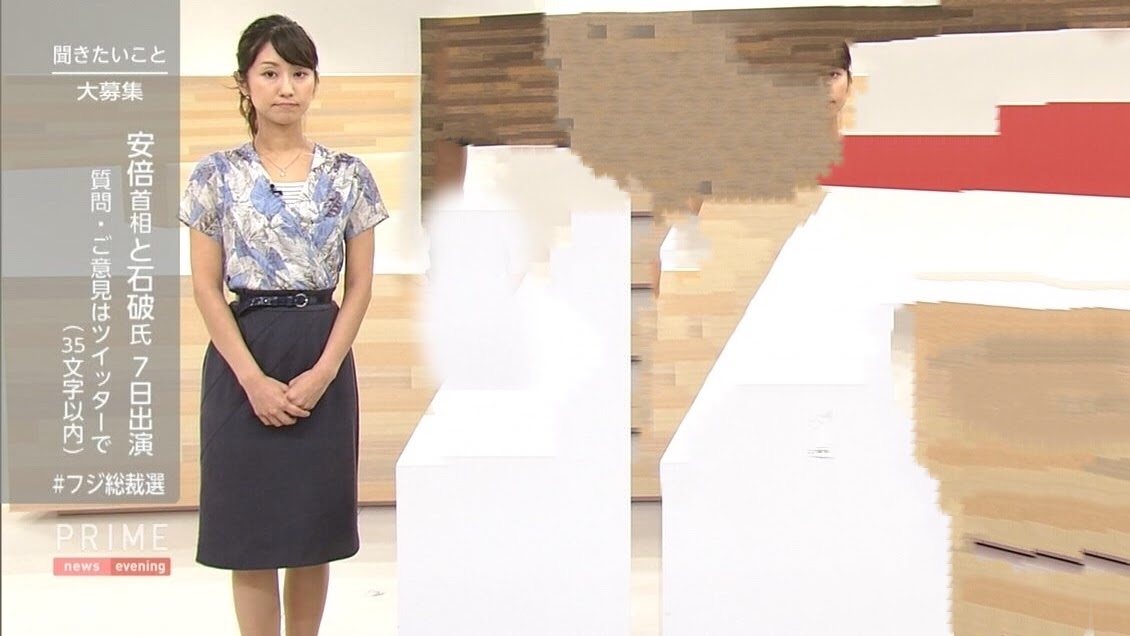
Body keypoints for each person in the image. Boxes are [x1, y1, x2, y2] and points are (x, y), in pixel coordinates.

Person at [178, 14, 387, 636]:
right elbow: (205, 288)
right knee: (249, 530)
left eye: (299, 73)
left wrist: (323, 373)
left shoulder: (349, 175)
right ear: (245, 83)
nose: (286, 87)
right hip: (243, 356)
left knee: (309, 528)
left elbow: (360, 286)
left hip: (322, 350)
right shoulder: (214, 175)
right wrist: (253, 381)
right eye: (270, 73)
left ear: (314, 82)